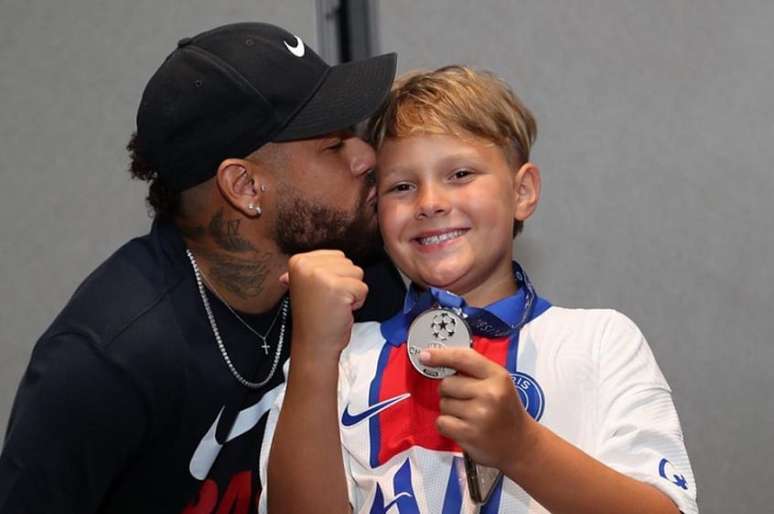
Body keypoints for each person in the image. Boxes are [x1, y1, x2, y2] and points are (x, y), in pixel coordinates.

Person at [0, 22, 405, 514]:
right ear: (245, 187)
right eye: (334, 144)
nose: (367, 157)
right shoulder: (109, 359)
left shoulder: (360, 273)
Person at [261, 65, 698, 513]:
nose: (430, 203)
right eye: (402, 186)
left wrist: (523, 448)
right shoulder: (344, 361)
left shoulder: (600, 341)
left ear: (523, 191)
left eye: (461, 174)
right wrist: (314, 353)